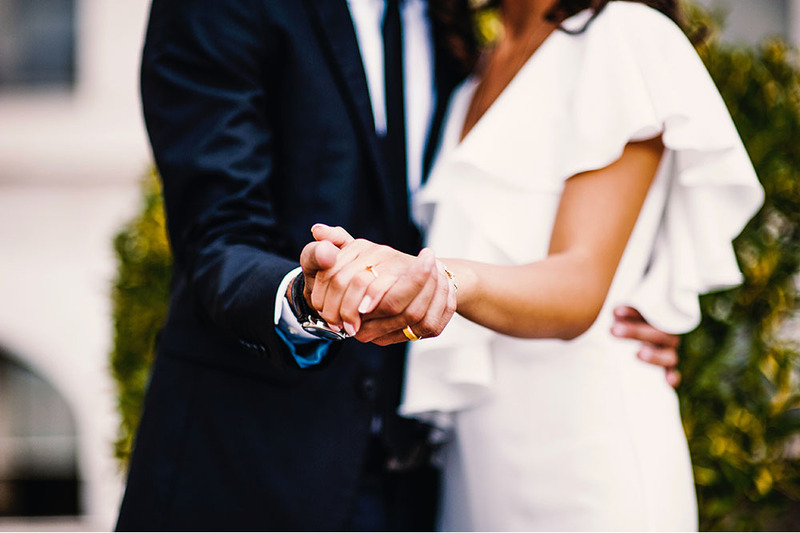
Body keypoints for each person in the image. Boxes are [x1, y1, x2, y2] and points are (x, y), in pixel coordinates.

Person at [116, 0, 684, 530]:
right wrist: (304, 298)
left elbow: (588, 267)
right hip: (264, 465)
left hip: (549, 448)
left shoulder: (588, 35)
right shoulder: (479, 54)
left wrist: (645, 307)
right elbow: (218, 233)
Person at [302, 0, 764, 530]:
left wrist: (440, 280)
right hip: (477, 467)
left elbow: (579, 283)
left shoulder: (623, 34)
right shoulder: (472, 74)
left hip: (587, 454)